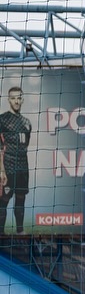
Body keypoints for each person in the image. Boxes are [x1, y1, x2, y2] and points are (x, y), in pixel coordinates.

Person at [0, 84, 31, 234]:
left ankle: (20, 231)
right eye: (13, 98)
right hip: (8, 167)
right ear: (9, 100)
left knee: (21, 199)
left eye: (19, 98)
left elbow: (26, 144)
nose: (16, 101)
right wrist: (2, 170)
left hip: (23, 167)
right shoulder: (2, 119)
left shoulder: (27, 122)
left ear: (22, 100)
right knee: (3, 201)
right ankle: (1, 234)